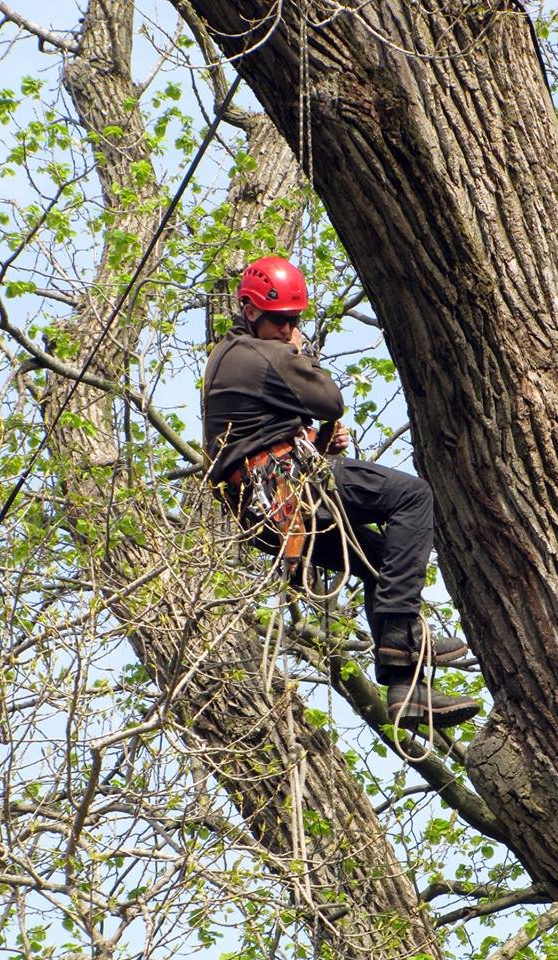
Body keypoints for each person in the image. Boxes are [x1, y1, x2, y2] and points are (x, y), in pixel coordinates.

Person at [203, 256, 480, 731]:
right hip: (282, 490)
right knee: (413, 497)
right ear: (250, 312)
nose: (289, 328)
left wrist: (313, 442)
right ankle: (402, 633)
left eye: (295, 319)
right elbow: (330, 400)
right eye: (281, 320)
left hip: (265, 509)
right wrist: (300, 354)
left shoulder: (229, 360)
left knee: (379, 558)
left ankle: (404, 688)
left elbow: (260, 429)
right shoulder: (255, 355)